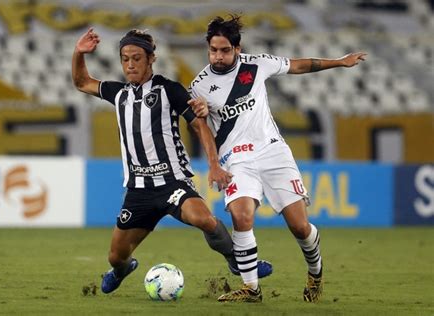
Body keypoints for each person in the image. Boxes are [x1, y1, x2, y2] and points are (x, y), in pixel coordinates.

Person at [71, 28, 273, 295]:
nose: (130, 64)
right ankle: (122, 269)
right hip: (139, 192)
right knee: (115, 256)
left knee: (205, 219)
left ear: (151, 58)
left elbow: (199, 124)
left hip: (172, 183)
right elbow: (81, 82)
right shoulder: (117, 93)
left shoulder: (170, 90)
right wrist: (78, 52)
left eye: (137, 58)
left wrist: (214, 165)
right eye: (125, 58)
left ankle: (238, 262)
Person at [189, 15, 367, 303]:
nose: (217, 57)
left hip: (273, 152)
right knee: (240, 215)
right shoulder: (199, 85)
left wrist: (339, 61)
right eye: (212, 50)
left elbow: (300, 65)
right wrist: (213, 163)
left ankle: (315, 271)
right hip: (237, 159)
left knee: (300, 227)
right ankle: (251, 289)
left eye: (224, 50)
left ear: (237, 47)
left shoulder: (257, 64)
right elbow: (202, 129)